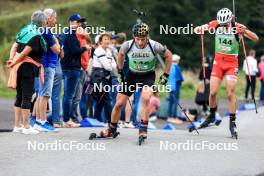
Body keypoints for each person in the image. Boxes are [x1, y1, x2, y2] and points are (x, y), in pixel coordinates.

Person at [96, 22, 172, 142]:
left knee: (146, 97)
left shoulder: (154, 45)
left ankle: (143, 128)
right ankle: (112, 129)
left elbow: (169, 56)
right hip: (132, 76)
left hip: (148, 76)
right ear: (133, 36)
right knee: (119, 103)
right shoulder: (127, 45)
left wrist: (165, 76)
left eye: (143, 39)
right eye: (137, 39)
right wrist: (120, 72)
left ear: (147, 36)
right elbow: (121, 55)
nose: (140, 43)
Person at [193, 8, 259, 138]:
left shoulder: (237, 27)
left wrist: (244, 31)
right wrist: (199, 29)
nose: (223, 26)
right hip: (218, 63)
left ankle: (232, 122)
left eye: (225, 24)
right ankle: (212, 115)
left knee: (230, 92)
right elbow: (199, 28)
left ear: (230, 20)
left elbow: (255, 38)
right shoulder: (216, 24)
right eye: (221, 24)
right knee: (212, 92)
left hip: (231, 64)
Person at [7, 10, 47, 134]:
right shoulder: (36, 35)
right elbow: (25, 52)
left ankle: (17, 125)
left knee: (19, 96)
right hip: (27, 67)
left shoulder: (25, 30)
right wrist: (14, 61)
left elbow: (15, 46)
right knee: (27, 96)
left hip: (19, 67)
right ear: (43, 23)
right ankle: (26, 127)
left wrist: (12, 59)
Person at [33, 8, 61, 132]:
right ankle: (42, 121)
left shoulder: (41, 30)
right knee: (45, 94)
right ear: (49, 19)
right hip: (48, 66)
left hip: (43, 66)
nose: (56, 20)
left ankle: (39, 120)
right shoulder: (47, 32)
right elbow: (57, 50)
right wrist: (56, 41)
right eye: (55, 18)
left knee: (41, 94)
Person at [60, 13, 90, 127]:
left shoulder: (67, 33)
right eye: (77, 22)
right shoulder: (70, 34)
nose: (79, 24)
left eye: (79, 22)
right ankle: (67, 120)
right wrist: (85, 48)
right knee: (69, 95)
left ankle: (67, 119)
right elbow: (75, 51)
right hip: (71, 68)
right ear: (71, 22)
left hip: (68, 67)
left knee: (69, 95)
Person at [91, 33, 114, 123]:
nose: (107, 41)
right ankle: (111, 121)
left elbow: (114, 65)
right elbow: (108, 67)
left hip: (105, 77)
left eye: (108, 39)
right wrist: (110, 64)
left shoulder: (108, 51)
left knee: (101, 99)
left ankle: (97, 118)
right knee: (106, 98)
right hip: (99, 77)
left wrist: (110, 65)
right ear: (100, 42)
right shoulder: (99, 50)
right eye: (105, 39)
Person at [167, 54, 184, 124]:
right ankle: (173, 116)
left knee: (170, 101)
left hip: (169, 86)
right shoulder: (177, 67)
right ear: (177, 61)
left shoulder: (169, 67)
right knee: (175, 102)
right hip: (175, 86)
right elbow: (180, 78)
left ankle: (169, 116)